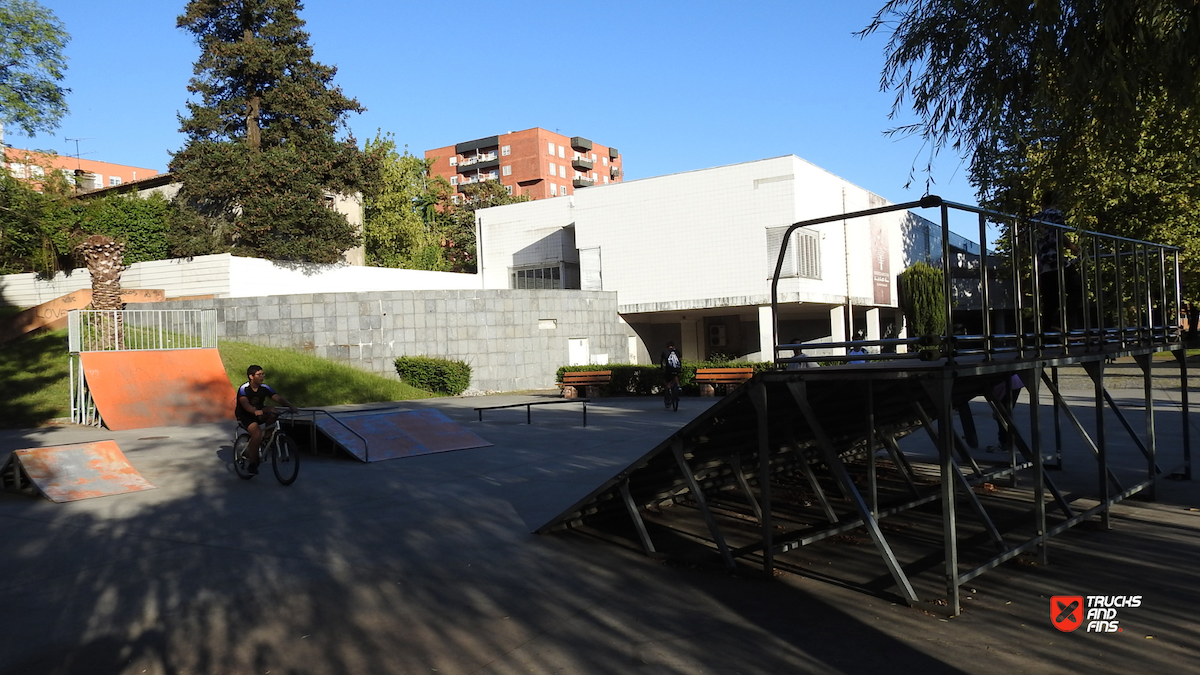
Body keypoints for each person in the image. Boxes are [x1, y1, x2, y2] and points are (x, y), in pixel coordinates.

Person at [1031, 192, 1082, 340]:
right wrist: (1073, 247)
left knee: (1050, 301)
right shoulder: (1055, 214)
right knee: (1076, 289)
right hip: (1055, 260)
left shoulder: (1035, 219)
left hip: (1043, 264)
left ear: (1042, 202)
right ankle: (1061, 322)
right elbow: (1058, 234)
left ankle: (1045, 334)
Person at [235, 364, 298, 475]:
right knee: (257, 433)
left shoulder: (265, 388)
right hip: (245, 415)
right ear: (251, 376)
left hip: (259, 412)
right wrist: (254, 411)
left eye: (263, 374)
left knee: (273, 411)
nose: (262, 377)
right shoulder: (244, 388)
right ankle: (253, 464)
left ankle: (266, 439)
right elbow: (245, 403)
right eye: (259, 375)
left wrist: (290, 406)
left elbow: (277, 397)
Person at [986, 374, 1024, 453]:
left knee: (1002, 414)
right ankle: (1007, 441)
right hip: (1015, 380)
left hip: (1008, 383)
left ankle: (1004, 442)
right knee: (1004, 413)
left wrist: (996, 411)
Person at [660, 341, 682, 408]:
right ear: (674, 346)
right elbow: (680, 360)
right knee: (675, 376)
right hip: (677, 369)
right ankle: (678, 386)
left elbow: (662, 361)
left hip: (668, 369)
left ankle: (669, 390)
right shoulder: (677, 351)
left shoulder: (665, 352)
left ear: (667, 346)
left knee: (667, 381)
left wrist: (661, 367)